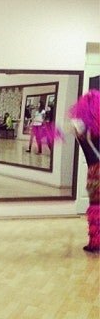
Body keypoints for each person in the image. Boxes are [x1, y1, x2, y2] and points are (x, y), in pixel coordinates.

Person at [68, 90, 100, 253]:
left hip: (96, 171)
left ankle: (96, 242)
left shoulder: (79, 125)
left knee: (96, 206)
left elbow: (67, 130)